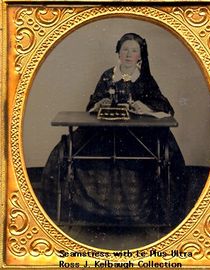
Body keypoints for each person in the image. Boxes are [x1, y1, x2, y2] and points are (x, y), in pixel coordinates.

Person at [41, 33, 186, 226]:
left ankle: (158, 218)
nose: (128, 54)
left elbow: (162, 106)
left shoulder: (145, 79)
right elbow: (91, 104)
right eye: (125, 49)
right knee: (65, 151)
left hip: (138, 136)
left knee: (166, 154)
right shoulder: (108, 75)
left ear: (140, 56)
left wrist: (145, 108)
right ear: (118, 52)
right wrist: (100, 103)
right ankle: (77, 213)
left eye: (134, 50)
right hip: (105, 132)